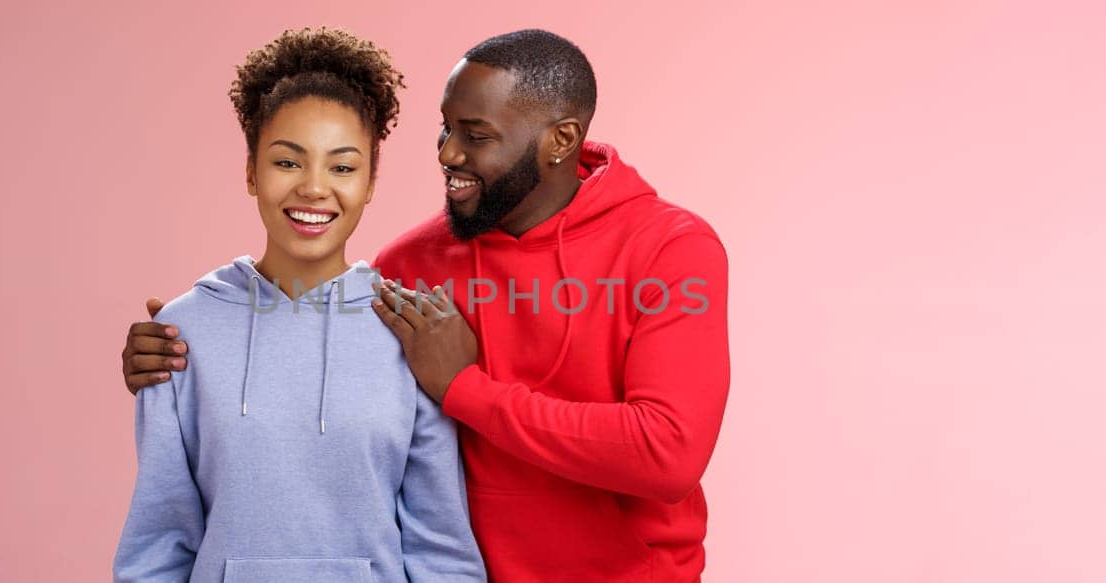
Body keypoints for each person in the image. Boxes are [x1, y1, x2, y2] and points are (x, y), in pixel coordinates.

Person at [123, 29, 730, 581]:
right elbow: (311, 342)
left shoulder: (670, 250)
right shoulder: (410, 268)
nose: (446, 154)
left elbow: (666, 453)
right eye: (446, 128)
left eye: (477, 135)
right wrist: (189, 338)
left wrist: (465, 387)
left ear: (561, 140)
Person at [113, 28, 485, 583]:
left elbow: (442, 550)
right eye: (288, 162)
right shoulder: (181, 332)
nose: (314, 188)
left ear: (369, 183)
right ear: (250, 171)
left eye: (342, 167)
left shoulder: (409, 330)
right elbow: (158, 543)